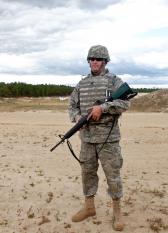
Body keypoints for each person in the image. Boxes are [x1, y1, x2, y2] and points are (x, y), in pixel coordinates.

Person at [68, 45, 130, 231]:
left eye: (98, 59)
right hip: (86, 139)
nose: (94, 61)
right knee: (87, 173)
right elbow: (72, 106)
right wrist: (77, 117)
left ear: (105, 61)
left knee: (112, 175)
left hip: (108, 139)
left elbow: (125, 103)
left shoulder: (114, 82)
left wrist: (102, 109)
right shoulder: (81, 84)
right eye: (91, 59)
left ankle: (117, 211)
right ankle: (89, 207)